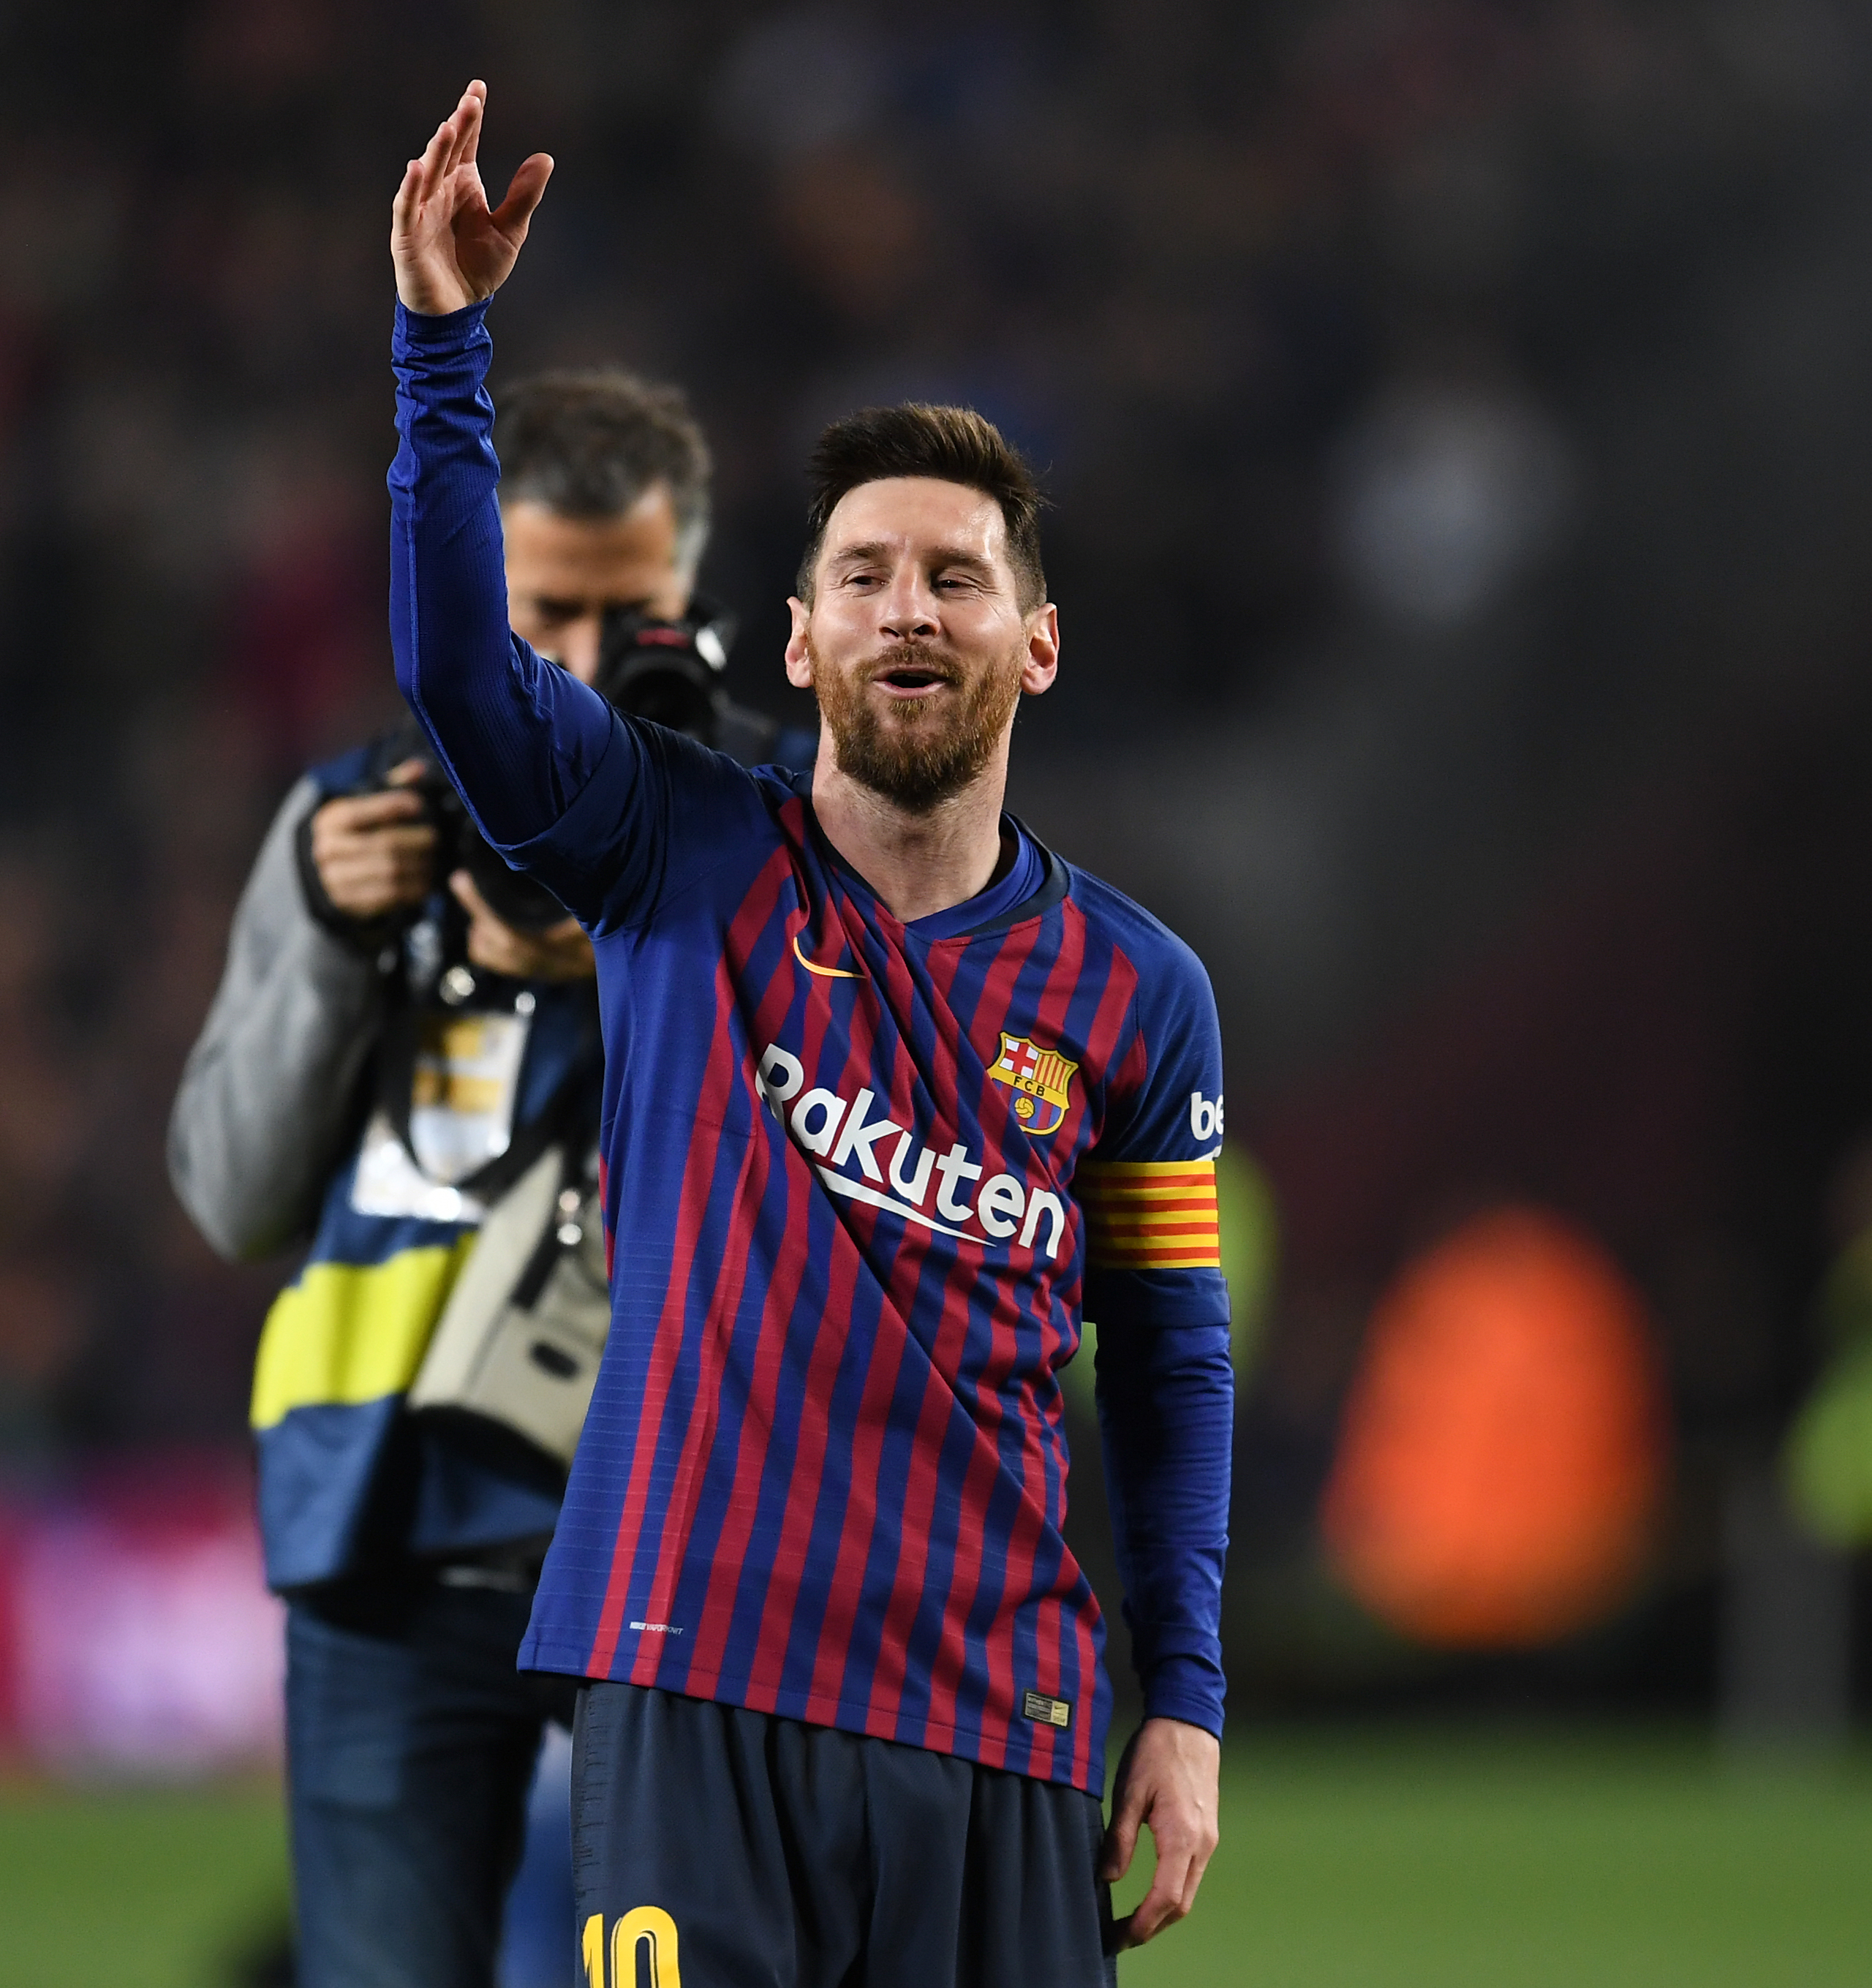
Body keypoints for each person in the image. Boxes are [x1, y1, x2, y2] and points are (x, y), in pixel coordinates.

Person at [385, 83, 1230, 1987]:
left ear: (1034, 641)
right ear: (793, 640)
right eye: (860, 574)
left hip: (999, 1719)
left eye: (952, 575)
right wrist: (440, 345)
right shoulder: (669, 846)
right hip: (688, 1680)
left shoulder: (1134, 992)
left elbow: (1169, 1362)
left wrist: (1177, 1696)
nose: (903, 606)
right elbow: (456, 669)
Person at [172, 355, 805, 1981]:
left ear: (694, 604)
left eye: (630, 618)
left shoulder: (786, 837)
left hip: (690, 1548)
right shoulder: (357, 827)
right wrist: (326, 947)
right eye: (540, 617)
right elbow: (232, 1195)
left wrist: (651, 953)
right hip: (398, 1538)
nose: (584, 669)